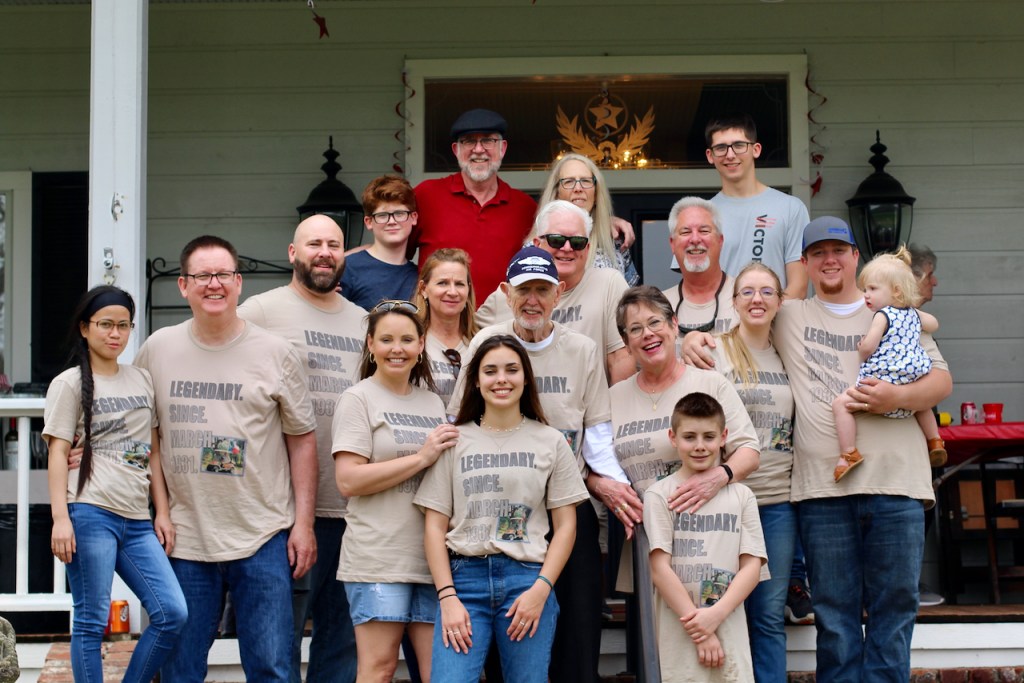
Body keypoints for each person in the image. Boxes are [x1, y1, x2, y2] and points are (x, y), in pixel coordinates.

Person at [683, 216, 953, 682]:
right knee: (835, 618)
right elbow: (740, 323)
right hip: (822, 492)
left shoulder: (890, 308)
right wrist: (692, 337)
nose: (829, 260)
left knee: (893, 614)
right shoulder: (789, 314)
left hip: (898, 483)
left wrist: (897, 396)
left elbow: (942, 382)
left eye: (838, 251)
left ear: (855, 257)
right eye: (818, 253)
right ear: (805, 264)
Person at [450, 246, 639, 683]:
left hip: (567, 505)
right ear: (505, 293)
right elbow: (460, 422)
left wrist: (617, 489)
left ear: (560, 293)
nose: (532, 300)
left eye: (542, 290)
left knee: (577, 627)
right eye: (523, 291)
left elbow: (597, 432)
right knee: (508, 630)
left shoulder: (583, 350)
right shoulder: (487, 343)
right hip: (503, 503)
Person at [134, 235, 319, 682]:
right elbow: (140, 431)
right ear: (183, 285)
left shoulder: (276, 353)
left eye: (222, 275)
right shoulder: (157, 349)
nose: (213, 284)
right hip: (183, 538)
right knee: (179, 670)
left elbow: (302, 440)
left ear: (238, 283)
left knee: (272, 668)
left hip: (263, 535)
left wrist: (303, 524)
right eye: (202, 276)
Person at [416, 335, 589, 682]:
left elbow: (566, 526)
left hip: (527, 580)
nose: (501, 379)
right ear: (476, 381)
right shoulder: (454, 440)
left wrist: (541, 589)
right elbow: (434, 527)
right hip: (463, 583)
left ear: (525, 378)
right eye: (490, 371)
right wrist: (447, 597)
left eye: (512, 370)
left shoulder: (551, 441)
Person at [237, 214, 364, 683]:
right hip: (283, 507)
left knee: (342, 639)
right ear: (293, 253)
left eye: (334, 244)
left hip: (352, 504)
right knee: (278, 640)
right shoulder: (261, 311)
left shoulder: (363, 321)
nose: (325, 253)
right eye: (314, 244)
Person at [44, 285, 187, 682]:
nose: (115, 334)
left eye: (123, 326)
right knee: (91, 619)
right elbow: (57, 453)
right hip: (89, 512)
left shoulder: (141, 379)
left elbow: (152, 450)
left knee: (171, 612)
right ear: (85, 328)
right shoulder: (69, 383)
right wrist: (60, 518)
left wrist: (162, 512)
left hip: (137, 519)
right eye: (105, 324)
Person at [332, 301, 460, 683]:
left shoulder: (432, 401)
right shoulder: (358, 398)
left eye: (407, 339)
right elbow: (348, 480)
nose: (397, 348)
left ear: (421, 345)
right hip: (378, 557)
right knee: (380, 668)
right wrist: (421, 458)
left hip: (431, 560)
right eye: (386, 339)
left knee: (440, 672)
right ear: (371, 345)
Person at [708, 264, 795, 683]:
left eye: (766, 292)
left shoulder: (790, 352)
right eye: (747, 292)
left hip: (778, 503)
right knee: (721, 610)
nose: (757, 299)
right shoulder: (713, 351)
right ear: (734, 301)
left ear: (780, 301)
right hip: (725, 501)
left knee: (768, 616)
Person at [645, 392, 768, 682]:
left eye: (709, 437)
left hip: (728, 625)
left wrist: (715, 616)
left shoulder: (742, 496)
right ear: (673, 438)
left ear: (724, 437)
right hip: (678, 630)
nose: (700, 446)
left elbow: (752, 567)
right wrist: (700, 632)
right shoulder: (659, 495)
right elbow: (659, 569)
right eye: (689, 437)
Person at [611, 286, 759, 503]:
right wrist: (601, 485)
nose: (648, 334)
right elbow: (594, 460)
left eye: (655, 322)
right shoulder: (613, 398)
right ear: (626, 343)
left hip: (705, 518)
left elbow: (749, 451)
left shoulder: (711, 384)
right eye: (635, 329)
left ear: (674, 325)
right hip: (644, 522)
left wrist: (718, 477)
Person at [476, 200, 635, 383]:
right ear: (537, 244)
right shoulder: (507, 294)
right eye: (556, 240)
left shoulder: (609, 284)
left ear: (588, 248)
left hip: (588, 401)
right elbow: (462, 335)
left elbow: (621, 358)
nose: (567, 248)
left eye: (577, 242)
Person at [831, 247, 947, 481]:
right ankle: (935, 440)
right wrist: (916, 316)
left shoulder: (882, 315)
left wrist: (862, 347)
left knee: (840, 404)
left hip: (886, 376)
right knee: (921, 405)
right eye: (865, 289)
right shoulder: (913, 314)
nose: (866, 295)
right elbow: (934, 324)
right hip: (912, 374)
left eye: (873, 289)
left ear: (896, 290)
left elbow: (869, 346)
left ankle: (849, 453)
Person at [411, 108, 537, 300]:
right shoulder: (425, 196)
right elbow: (394, 254)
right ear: (456, 150)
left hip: (505, 318)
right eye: (469, 141)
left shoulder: (525, 208)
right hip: (438, 316)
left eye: (488, 140)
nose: (478, 149)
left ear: (502, 148)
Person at [703, 113, 810, 299]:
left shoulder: (790, 208)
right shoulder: (701, 214)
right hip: (719, 318)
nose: (730, 155)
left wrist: (763, 314)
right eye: (721, 148)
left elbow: (798, 286)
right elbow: (695, 287)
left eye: (739, 145)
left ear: (756, 149)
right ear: (710, 156)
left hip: (777, 317)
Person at [538, 152, 639, 285]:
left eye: (585, 181)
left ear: (596, 193)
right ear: (557, 193)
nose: (578, 188)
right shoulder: (539, 244)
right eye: (569, 181)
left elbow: (631, 295)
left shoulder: (614, 241)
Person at [340, 175, 419, 310]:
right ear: (369, 222)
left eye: (399, 214)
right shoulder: (347, 269)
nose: (392, 221)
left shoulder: (419, 277)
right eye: (382, 215)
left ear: (413, 218)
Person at [413, 248, 480, 406]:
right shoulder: (410, 342)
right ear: (423, 289)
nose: (452, 292)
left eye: (459, 284)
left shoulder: (479, 343)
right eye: (443, 283)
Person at [663, 197, 737, 336]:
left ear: (720, 241)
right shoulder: (658, 306)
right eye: (685, 232)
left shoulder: (747, 297)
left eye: (704, 231)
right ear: (672, 244)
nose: (695, 239)